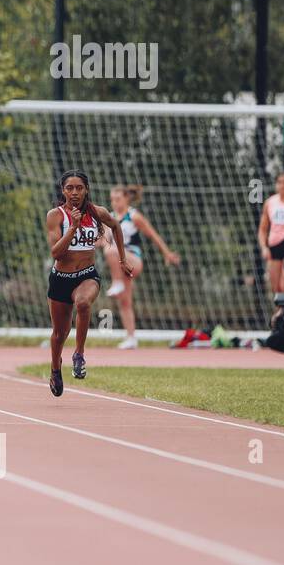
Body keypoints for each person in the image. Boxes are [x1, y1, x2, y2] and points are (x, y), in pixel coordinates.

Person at [45, 169, 130, 396]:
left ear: (86, 190)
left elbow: (116, 226)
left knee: (83, 303)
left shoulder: (97, 212)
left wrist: (122, 259)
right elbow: (56, 252)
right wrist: (72, 227)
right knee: (59, 334)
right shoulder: (55, 215)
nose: (74, 193)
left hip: (87, 275)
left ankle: (79, 354)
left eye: (79, 188)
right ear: (63, 191)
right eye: (69, 188)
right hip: (61, 279)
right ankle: (55, 369)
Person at [103, 184, 181, 349]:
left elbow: (153, 235)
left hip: (133, 261)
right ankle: (131, 338)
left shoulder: (134, 216)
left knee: (111, 250)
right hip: (119, 263)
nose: (115, 203)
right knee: (125, 301)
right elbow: (102, 240)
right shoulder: (109, 218)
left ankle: (116, 282)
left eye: (118, 199)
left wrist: (167, 253)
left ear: (126, 198)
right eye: (112, 200)